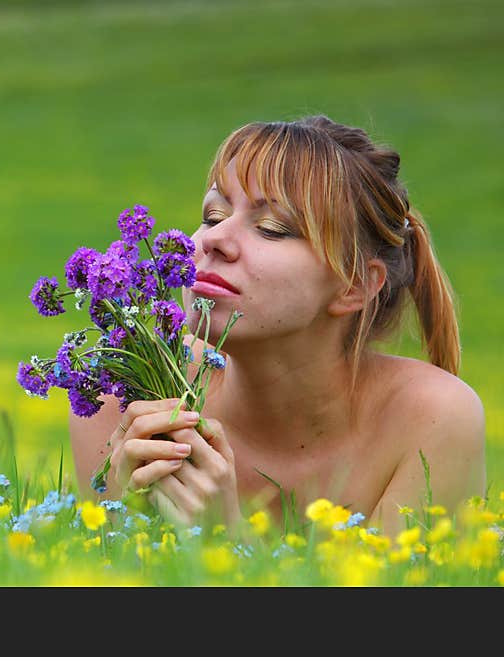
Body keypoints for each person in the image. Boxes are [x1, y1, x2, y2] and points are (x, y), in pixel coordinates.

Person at [69, 115, 486, 537]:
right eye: (213, 216)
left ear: (355, 285)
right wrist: (127, 528)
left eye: (272, 229)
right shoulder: (121, 391)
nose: (214, 240)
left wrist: (225, 542)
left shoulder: (429, 420)